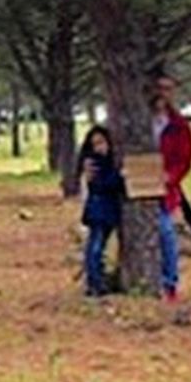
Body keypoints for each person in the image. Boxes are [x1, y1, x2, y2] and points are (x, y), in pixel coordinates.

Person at [152, 82, 191, 303]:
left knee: (166, 232)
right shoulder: (134, 121)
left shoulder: (178, 125)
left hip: (164, 190)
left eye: (167, 89)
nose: (161, 93)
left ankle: (169, 283)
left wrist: (171, 177)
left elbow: (185, 160)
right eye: (158, 88)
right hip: (134, 186)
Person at [76, 125, 124, 297]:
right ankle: (94, 282)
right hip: (99, 211)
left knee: (98, 247)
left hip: (106, 211)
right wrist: (120, 177)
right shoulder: (94, 164)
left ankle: (97, 280)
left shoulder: (107, 161)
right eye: (95, 144)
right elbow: (102, 185)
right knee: (95, 247)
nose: (99, 148)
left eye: (102, 143)